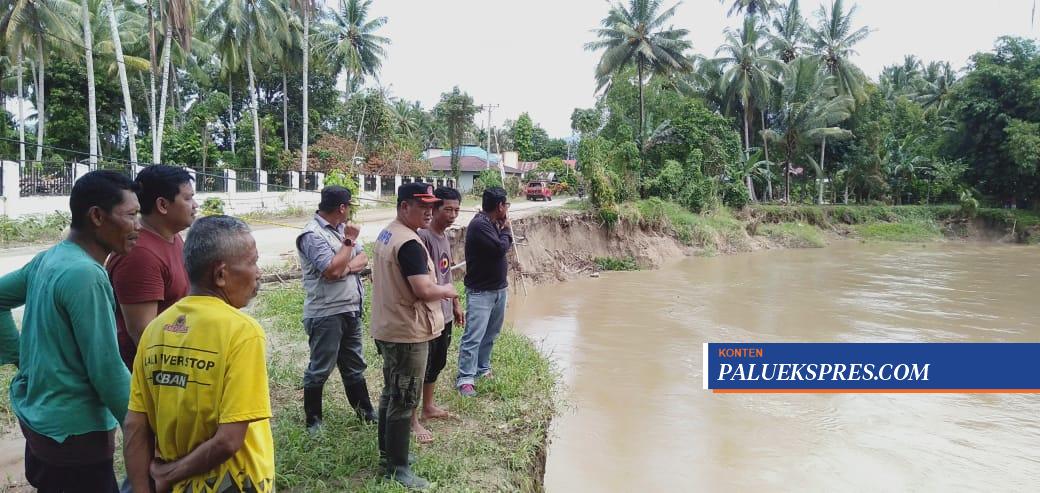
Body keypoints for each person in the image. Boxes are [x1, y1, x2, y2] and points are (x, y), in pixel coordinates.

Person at [0, 170, 139, 492]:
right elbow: (106, 369)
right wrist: (143, 428)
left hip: (42, 423)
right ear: (97, 217)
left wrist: (26, 361)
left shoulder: (50, 258)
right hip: (76, 435)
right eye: (131, 215)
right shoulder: (86, 274)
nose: (138, 227)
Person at [123, 215, 273, 493]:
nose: (258, 271)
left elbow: (135, 426)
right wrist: (168, 474)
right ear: (220, 274)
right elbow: (229, 440)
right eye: (252, 262)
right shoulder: (242, 332)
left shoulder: (155, 330)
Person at [371, 183, 459, 490]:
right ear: (403, 206)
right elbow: (423, 290)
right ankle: (397, 468)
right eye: (422, 206)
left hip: (389, 326)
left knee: (390, 393)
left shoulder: (388, 233)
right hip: (407, 332)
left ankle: (389, 454)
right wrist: (448, 290)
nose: (429, 211)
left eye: (431, 205)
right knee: (405, 398)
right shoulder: (408, 243)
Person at [296, 186, 374, 432]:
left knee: (354, 365)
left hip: (350, 308)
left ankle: (365, 412)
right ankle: (314, 421)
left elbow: (363, 259)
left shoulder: (341, 230)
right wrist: (348, 244)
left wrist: (346, 266)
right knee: (320, 367)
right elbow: (330, 271)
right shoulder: (312, 234)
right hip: (326, 312)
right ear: (342, 207)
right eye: (349, 205)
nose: (350, 210)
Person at [107, 165, 197, 370]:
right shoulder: (140, 255)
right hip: (152, 375)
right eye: (188, 198)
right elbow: (144, 335)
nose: (195, 205)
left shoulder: (172, 237)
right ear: (163, 205)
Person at [411, 187, 465, 444]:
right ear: (434, 209)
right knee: (420, 367)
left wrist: (455, 303)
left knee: (438, 362)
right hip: (429, 314)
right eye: (448, 209)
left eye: (456, 209)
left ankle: (428, 406)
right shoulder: (424, 237)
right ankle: (412, 419)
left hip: (444, 312)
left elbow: (447, 272)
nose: (453, 214)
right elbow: (424, 281)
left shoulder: (444, 237)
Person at [456, 187, 512, 397]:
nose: (506, 209)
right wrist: (507, 229)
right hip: (481, 292)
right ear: (500, 206)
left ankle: (483, 368)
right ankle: (465, 378)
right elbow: (500, 248)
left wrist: (502, 227)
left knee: (491, 333)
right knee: (474, 336)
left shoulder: (491, 223)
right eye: (506, 205)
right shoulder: (480, 225)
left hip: (498, 289)